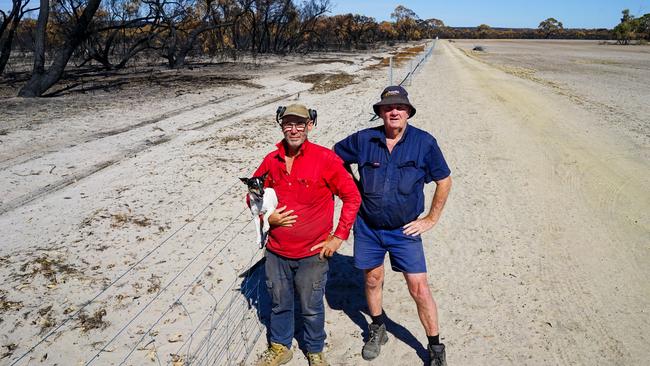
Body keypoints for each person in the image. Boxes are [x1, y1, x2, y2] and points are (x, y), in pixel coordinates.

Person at [334, 86, 452, 366]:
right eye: (388, 108)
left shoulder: (424, 143)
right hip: (368, 227)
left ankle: (435, 347)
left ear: (408, 112)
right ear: (380, 113)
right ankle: (377, 328)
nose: (394, 112)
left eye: (400, 107)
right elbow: (335, 157)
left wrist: (430, 219)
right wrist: (352, 188)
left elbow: (444, 180)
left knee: (419, 288)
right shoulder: (364, 140)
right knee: (372, 279)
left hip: (405, 230)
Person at [253, 104, 361, 366]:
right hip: (277, 251)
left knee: (311, 306)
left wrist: (338, 237)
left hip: (314, 253)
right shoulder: (271, 160)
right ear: (281, 126)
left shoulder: (326, 159)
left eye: (300, 124)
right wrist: (267, 217)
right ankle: (281, 347)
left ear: (310, 126)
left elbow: (351, 196)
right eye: (288, 124)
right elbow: (253, 195)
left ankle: (314, 349)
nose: (294, 129)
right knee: (279, 303)